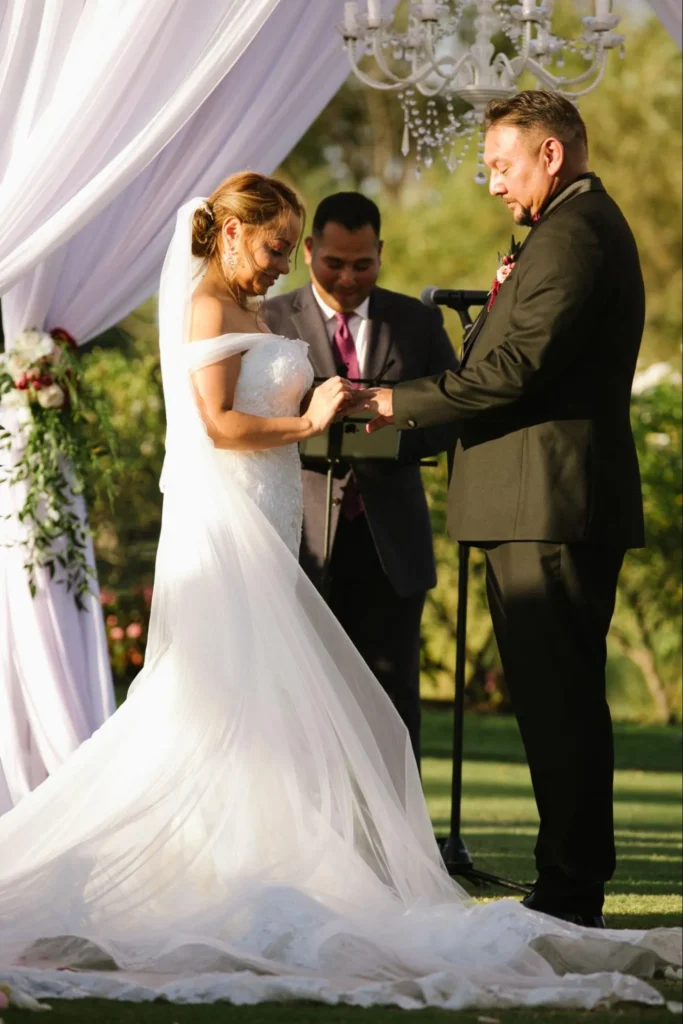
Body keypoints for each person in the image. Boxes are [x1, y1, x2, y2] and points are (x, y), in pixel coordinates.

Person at [0, 171, 678, 1013]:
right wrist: (309, 421)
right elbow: (218, 425)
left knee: (267, 702)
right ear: (234, 233)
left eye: (291, 249)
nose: (283, 265)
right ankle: (215, 867)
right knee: (216, 695)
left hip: (271, 519)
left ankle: (259, 858)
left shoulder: (251, 310)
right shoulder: (211, 307)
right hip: (229, 532)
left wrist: (343, 408)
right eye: (278, 247)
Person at [355, 91, 647, 929]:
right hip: (529, 502)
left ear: (550, 155)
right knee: (548, 699)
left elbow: (511, 371)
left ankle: (569, 892)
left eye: (500, 165)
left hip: (548, 506)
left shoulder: (578, 234)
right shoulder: (559, 230)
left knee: (560, 703)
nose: (490, 184)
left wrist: (389, 404)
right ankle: (563, 882)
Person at [264, 192, 458, 765]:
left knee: (395, 695)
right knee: (298, 692)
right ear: (308, 251)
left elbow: (451, 411)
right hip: (300, 537)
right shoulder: (270, 319)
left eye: (362, 264)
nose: (348, 277)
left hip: (390, 540)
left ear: (381, 253)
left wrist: (396, 424)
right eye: (334, 263)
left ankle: (400, 839)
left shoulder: (418, 321)